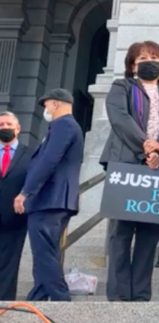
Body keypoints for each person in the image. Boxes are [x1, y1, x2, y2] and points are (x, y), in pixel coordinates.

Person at [102, 41, 159, 302]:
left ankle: (140, 295)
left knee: (150, 234)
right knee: (121, 232)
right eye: (142, 57)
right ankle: (118, 294)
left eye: (155, 57)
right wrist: (146, 149)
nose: (149, 61)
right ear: (132, 64)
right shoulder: (122, 87)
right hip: (127, 164)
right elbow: (120, 119)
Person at [14, 89, 83, 301]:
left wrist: (25, 192)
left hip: (50, 199)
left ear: (55, 104)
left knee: (44, 254)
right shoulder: (68, 126)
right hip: (54, 199)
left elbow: (49, 161)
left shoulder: (63, 125)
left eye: (46, 105)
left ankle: (62, 300)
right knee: (45, 253)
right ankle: (37, 299)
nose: (45, 110)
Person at [0, 112, 33, 300]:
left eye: (8, 124)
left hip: (16, 216)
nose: (4, 127)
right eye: (1, 124)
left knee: (10, 263)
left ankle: (4, 302)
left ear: (18, 128)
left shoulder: (30, 154)